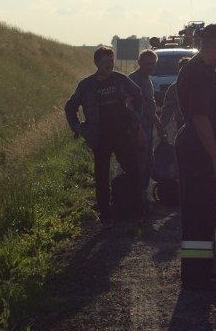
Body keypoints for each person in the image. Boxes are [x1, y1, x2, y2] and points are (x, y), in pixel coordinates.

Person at [174, 23, 216, 290]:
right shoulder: (198, 73)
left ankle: (201, 272)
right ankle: (196, 277)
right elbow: (200, 118)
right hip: (197, 150)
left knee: (205, 212)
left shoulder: (205, 69)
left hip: (200, 148)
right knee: (198, 212)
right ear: (214, 44)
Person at [64, 46, 146, 227]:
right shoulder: (86, 85)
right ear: (96, 63)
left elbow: (138, 95)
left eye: (111, 61)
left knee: (134, 171)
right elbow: (70, 107)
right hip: (100, 137)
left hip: (123, 134)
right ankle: (106, 215)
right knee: (102, 177)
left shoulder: (120, 80)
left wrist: (136, 118)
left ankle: (138, 211)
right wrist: (78, 128)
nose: (109, 65)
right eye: (105, 62)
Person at [129, 49, 164, 214]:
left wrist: (158, 122)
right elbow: (128, 108)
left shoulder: (148, 81)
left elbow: (150, 105)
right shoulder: (132, 80)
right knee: (139, 162)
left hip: (148, 126)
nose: (150, 67)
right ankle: (136, 200)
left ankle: (142, 197)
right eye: (147, 63)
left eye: (153, 64)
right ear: (139, 63)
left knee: (148, 161)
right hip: (137, 128)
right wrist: (139, 129)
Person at [159, 56, 191, 136]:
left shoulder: (201, 85)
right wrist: (161, 127)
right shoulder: (174, 88)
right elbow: (167, 109)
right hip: (182, 123)